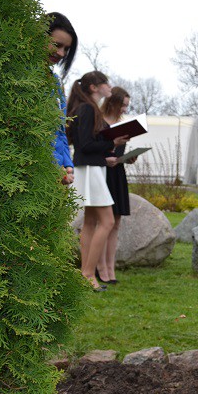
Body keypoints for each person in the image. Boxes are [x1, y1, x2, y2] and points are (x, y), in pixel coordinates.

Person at [66, 71, 129, 290]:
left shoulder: (88, 109)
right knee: (108, 221)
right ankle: (87, 273)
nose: (109, 87)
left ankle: (86, 274)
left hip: (93, 168)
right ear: (94, 87)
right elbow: (84, 145)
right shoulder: (87, 108)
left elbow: (90, 143)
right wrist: (111, 144)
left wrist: (111, 146)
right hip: (90, 169)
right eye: (106, 83)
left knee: (91, 223)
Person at [97, 87, 135, 285]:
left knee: (116, 223)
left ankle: (111, 268)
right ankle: (100, 267)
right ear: (113, 102)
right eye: (123, 105)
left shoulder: (124, 125)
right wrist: (106, 160)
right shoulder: (98, 122)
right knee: (104, 222)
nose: (125, 110)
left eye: (127, 106)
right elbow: (90, 150)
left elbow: (119, 152)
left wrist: (129, 158)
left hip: (117, 174)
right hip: (101, 173)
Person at [46, 12, 78, 185]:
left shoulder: (56, 83)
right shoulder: (22, 77)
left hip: (56, 174)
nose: (61, 53)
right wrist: (51, 166)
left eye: (66, 49)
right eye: (57, 45)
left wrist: (67, 165)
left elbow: (60, 130)